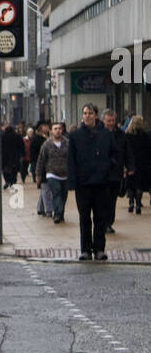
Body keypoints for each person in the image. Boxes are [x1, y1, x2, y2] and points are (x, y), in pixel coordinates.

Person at [67, 103, 115, 260]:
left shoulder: (106, 134)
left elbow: (114, 155)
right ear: (82, 116)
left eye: (90, 113)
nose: (87, 115)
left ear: (96, 115)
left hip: (101, 183)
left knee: (100, 217)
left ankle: (99, 248)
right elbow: (71, 160)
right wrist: (72, 181)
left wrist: (108, 170)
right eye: (85, 113)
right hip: (83, 183)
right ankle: (85, 250)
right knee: (84, 218)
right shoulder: (75, 136)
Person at [35, 121, 68, 223]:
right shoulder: (47, 144)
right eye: (55, 129)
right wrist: (38, 174)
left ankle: (61, 213)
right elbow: (41, 160)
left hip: (65, 174)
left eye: (59, 128)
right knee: (56, 193)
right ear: (51, 131)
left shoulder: (67, 143)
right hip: (52, 174)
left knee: (63, 195)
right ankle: (57, 214)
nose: (58, 131)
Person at [102, 109, 127, 233]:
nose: (111, 123)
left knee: (112, 200)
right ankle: (102, 222)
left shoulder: (121, 134)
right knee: (103, 200)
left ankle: (109, 223)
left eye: (113, 120)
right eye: (108, 121)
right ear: (103, 121)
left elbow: (127, 151)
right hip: (102, 174)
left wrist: (130, 167)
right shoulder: (98, 133)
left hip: (116, 173)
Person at [125, 115, 151, 214]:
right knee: (139, 185)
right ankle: (139, 204)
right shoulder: (145, 136)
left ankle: (131, 202)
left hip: (131, 163)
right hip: (142, 163)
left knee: (130, 184)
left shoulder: (127, 135)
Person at [1, 124, 23, 189]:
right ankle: (13, 181)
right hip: (15, 156)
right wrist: (22, 154)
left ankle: (7, 180)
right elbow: (21, 146)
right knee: (14, 170)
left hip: (5, 156)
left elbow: (0, 147)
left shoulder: (3, 137)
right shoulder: (17, 136)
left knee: (5, 170)